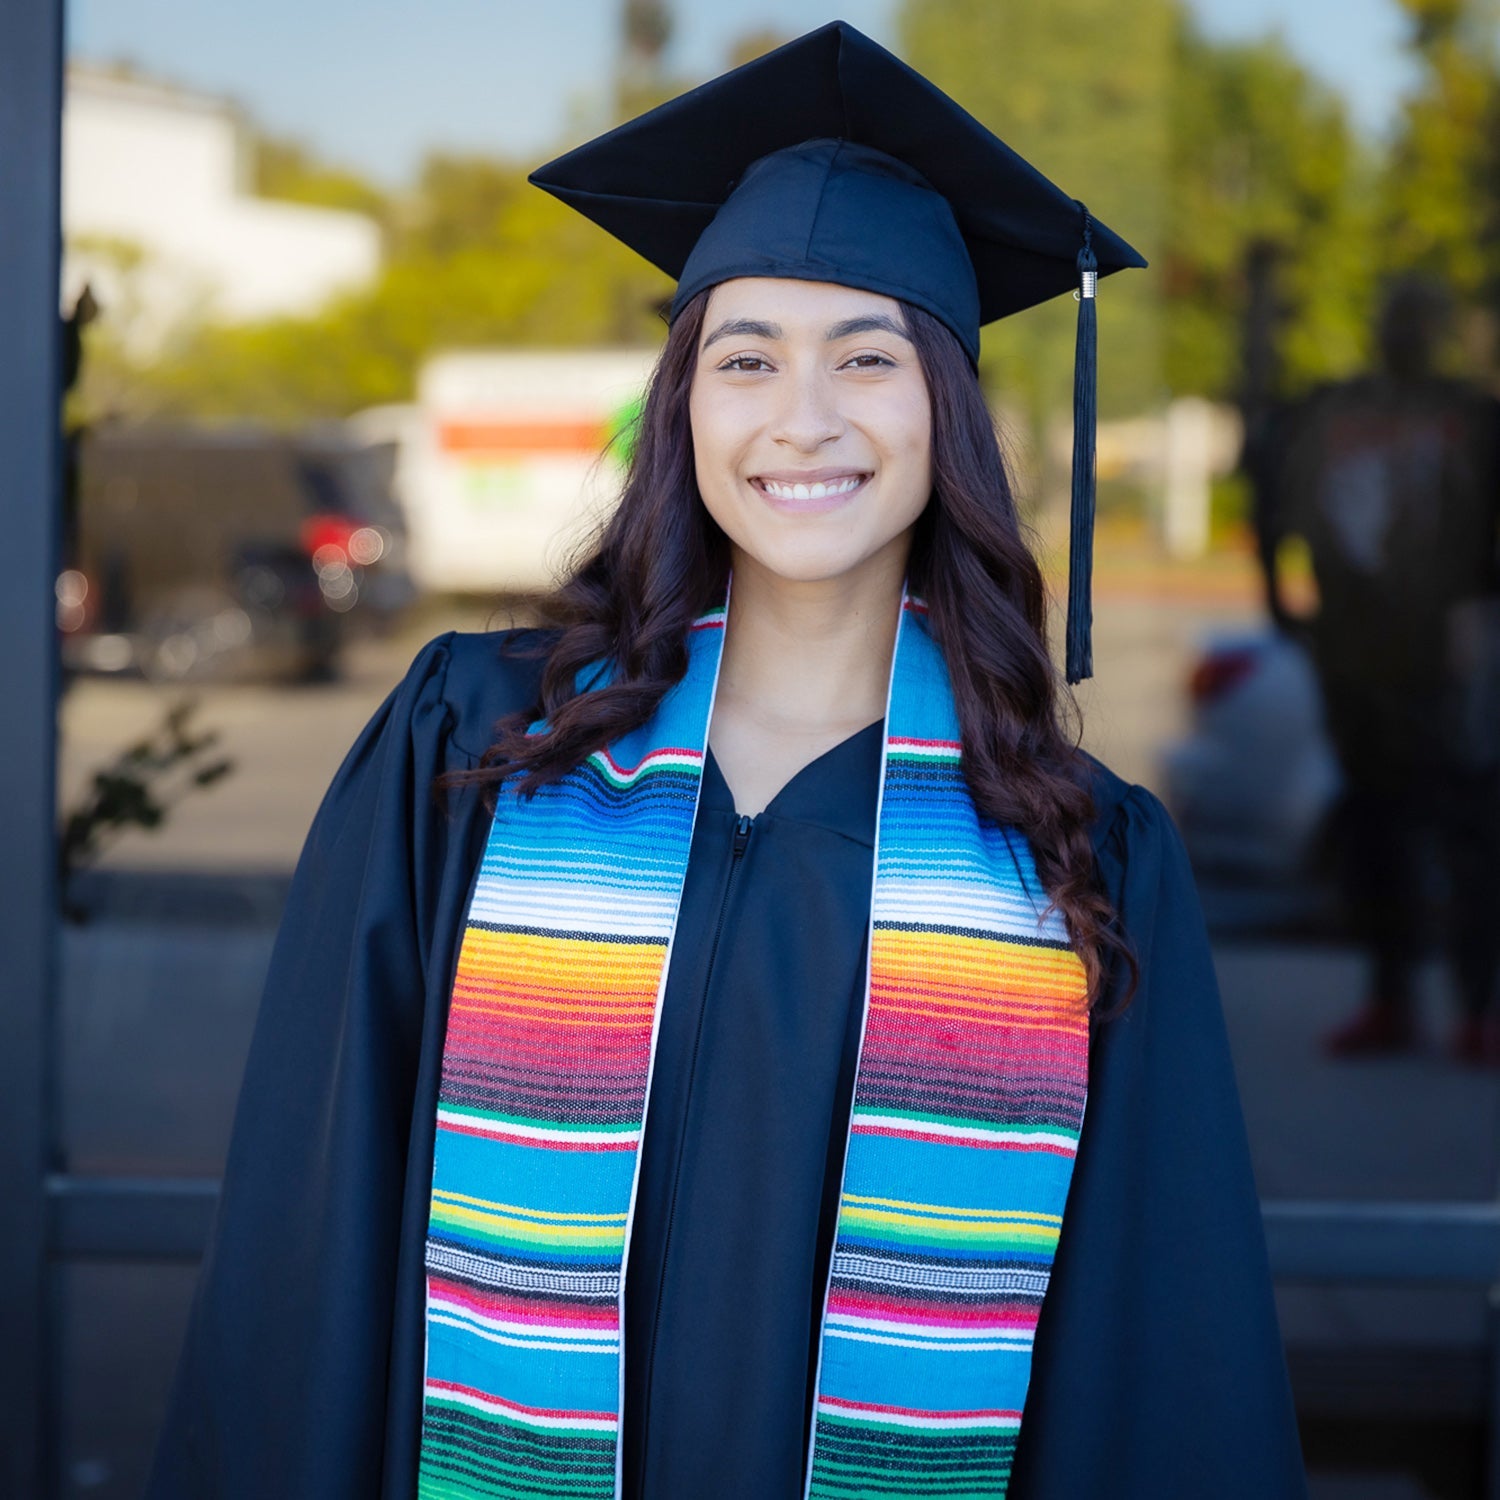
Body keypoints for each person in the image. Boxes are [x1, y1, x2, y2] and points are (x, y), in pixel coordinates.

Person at [146, 23, 1306, 1500]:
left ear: (946, 411)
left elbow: (1151, 1354)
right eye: (747, 358)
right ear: (684, 406)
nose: (802, 418)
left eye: (866, 358)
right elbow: (311, 1239)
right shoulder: (480, 753)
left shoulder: (1077, 853)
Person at [1261, 276, 1500, 1063]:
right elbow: (1276, 491)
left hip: (1446, 657)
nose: (1403, 330)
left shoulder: (1469, 415)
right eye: (1394, 315)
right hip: (1357, 653)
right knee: (1376, 828)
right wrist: (1281, 597)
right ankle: (1391, 998)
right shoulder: (1335, 411)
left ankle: (1476, 1006)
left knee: (1465, 829)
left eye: (1414, 317)